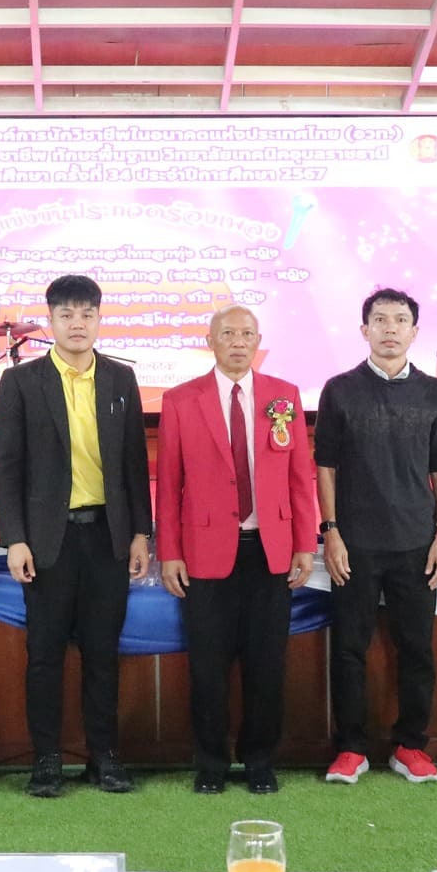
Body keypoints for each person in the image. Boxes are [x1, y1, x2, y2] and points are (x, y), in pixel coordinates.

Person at [0, 274, 153, 798]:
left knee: (102, 654)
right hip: (48, 541)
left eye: (86, 314)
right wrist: (14, 538)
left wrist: (140, 532)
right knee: (44, 655)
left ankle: (104, 757)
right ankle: (46, 760)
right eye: (66, 315)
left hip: (107, 537)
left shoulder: (120, 379)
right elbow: (8, 467)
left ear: (99, 319)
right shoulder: (21, 381)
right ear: (52, 320)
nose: (77, 324)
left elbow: (134, 464)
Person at [158, 305, 318, 795]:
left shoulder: (284, 396)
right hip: (204, 552)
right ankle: (210, 763)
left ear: (258, 341)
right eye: (227, 333)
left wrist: (304, 543)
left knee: (266, 666)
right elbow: (169, 483)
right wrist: (170, 551)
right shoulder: (181, 400)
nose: (238, 342)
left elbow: (300, 476)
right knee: (207, 667)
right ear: (210, 341)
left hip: (270, 551)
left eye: (247, 333)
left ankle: (259, 761)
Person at [314, 287, 437, 785]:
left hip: (417, 542)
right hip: (354, 543)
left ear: (414, 332)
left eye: (399, 320)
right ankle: (351, 748)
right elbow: (325, 467)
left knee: (417, 649)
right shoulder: (339, 389)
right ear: (364, 330)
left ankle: (411, 745)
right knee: (349, 649)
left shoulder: (434, 392)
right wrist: (331, 531)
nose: (390, 328)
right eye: (380, 319)